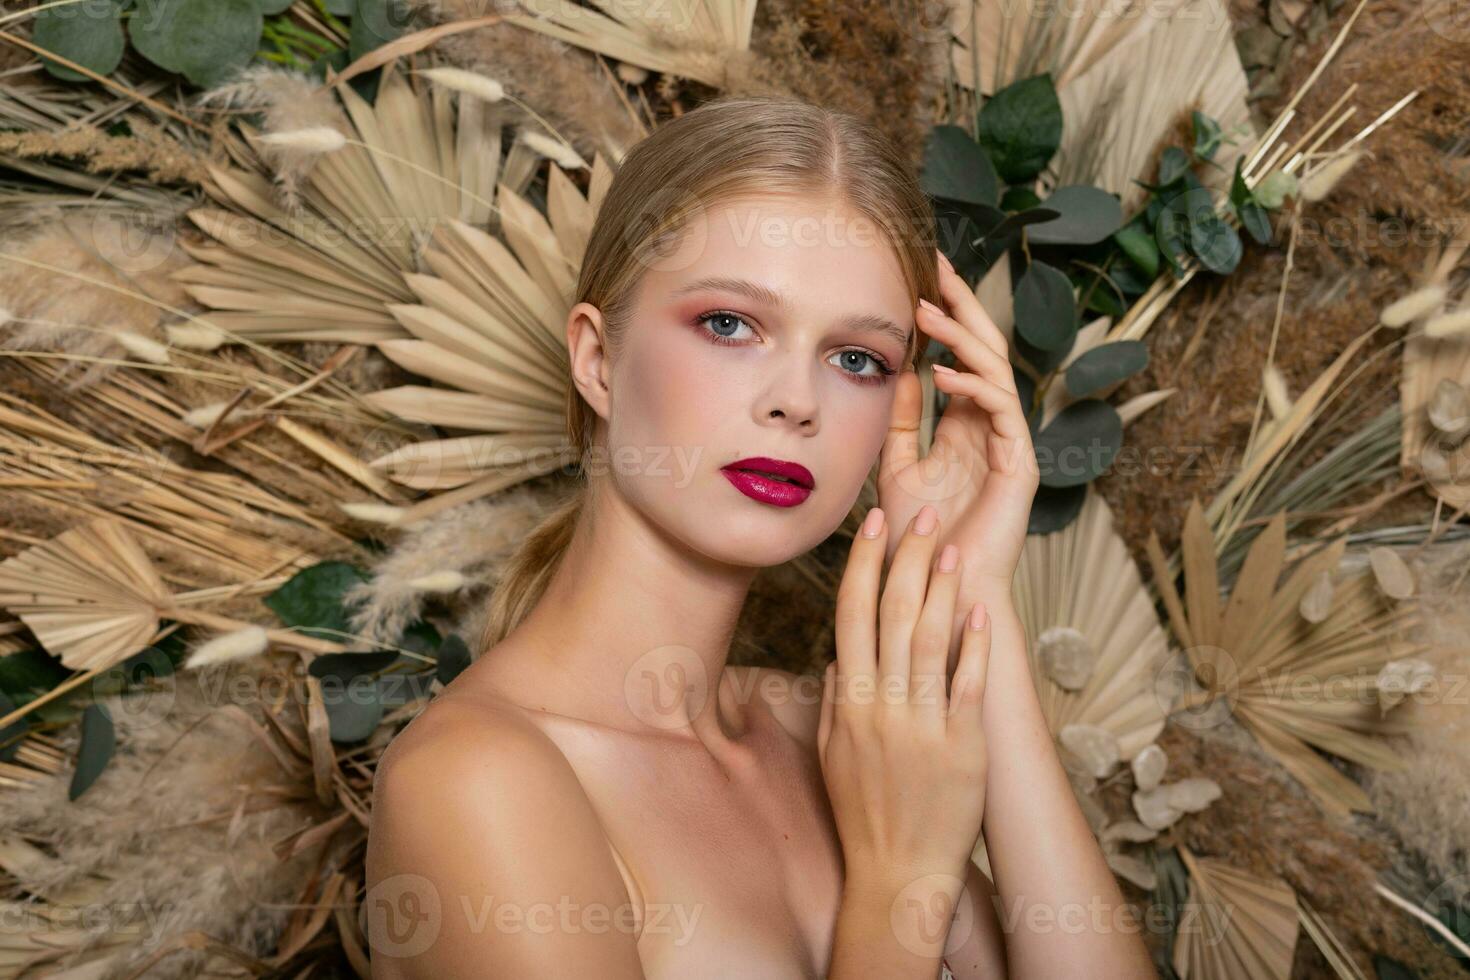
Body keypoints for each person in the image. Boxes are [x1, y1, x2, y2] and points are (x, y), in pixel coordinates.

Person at [364, 94, 1156, 979]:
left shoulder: (844, 736)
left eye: (857, 358)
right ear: (596, 359)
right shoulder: (478, 782)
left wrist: (964, 585)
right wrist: (901, 880)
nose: (798, 401)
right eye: (730, 325)